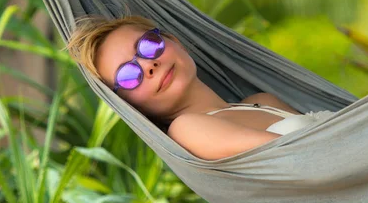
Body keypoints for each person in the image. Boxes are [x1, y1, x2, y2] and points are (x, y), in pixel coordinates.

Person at [65, 14, 333, 160]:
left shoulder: (263, 100)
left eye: (148, 45)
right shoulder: (187, 128)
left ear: (174, 41)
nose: (148, 66)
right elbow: (302, 157)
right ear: (129, 105)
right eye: (127, 75)